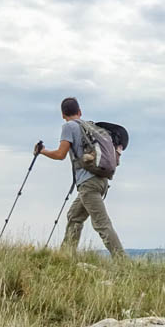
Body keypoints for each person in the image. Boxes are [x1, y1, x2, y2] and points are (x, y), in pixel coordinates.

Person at [35, 97, 126, 258]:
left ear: (63, 114)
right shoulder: (90, 126)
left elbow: (60, 154)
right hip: (101, 180)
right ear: (79, 112)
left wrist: (42, 151)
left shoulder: (68, 127)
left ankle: (123, 263)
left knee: (102, 224)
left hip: (88, 184)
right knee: (74, 216)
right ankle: (65, 257)